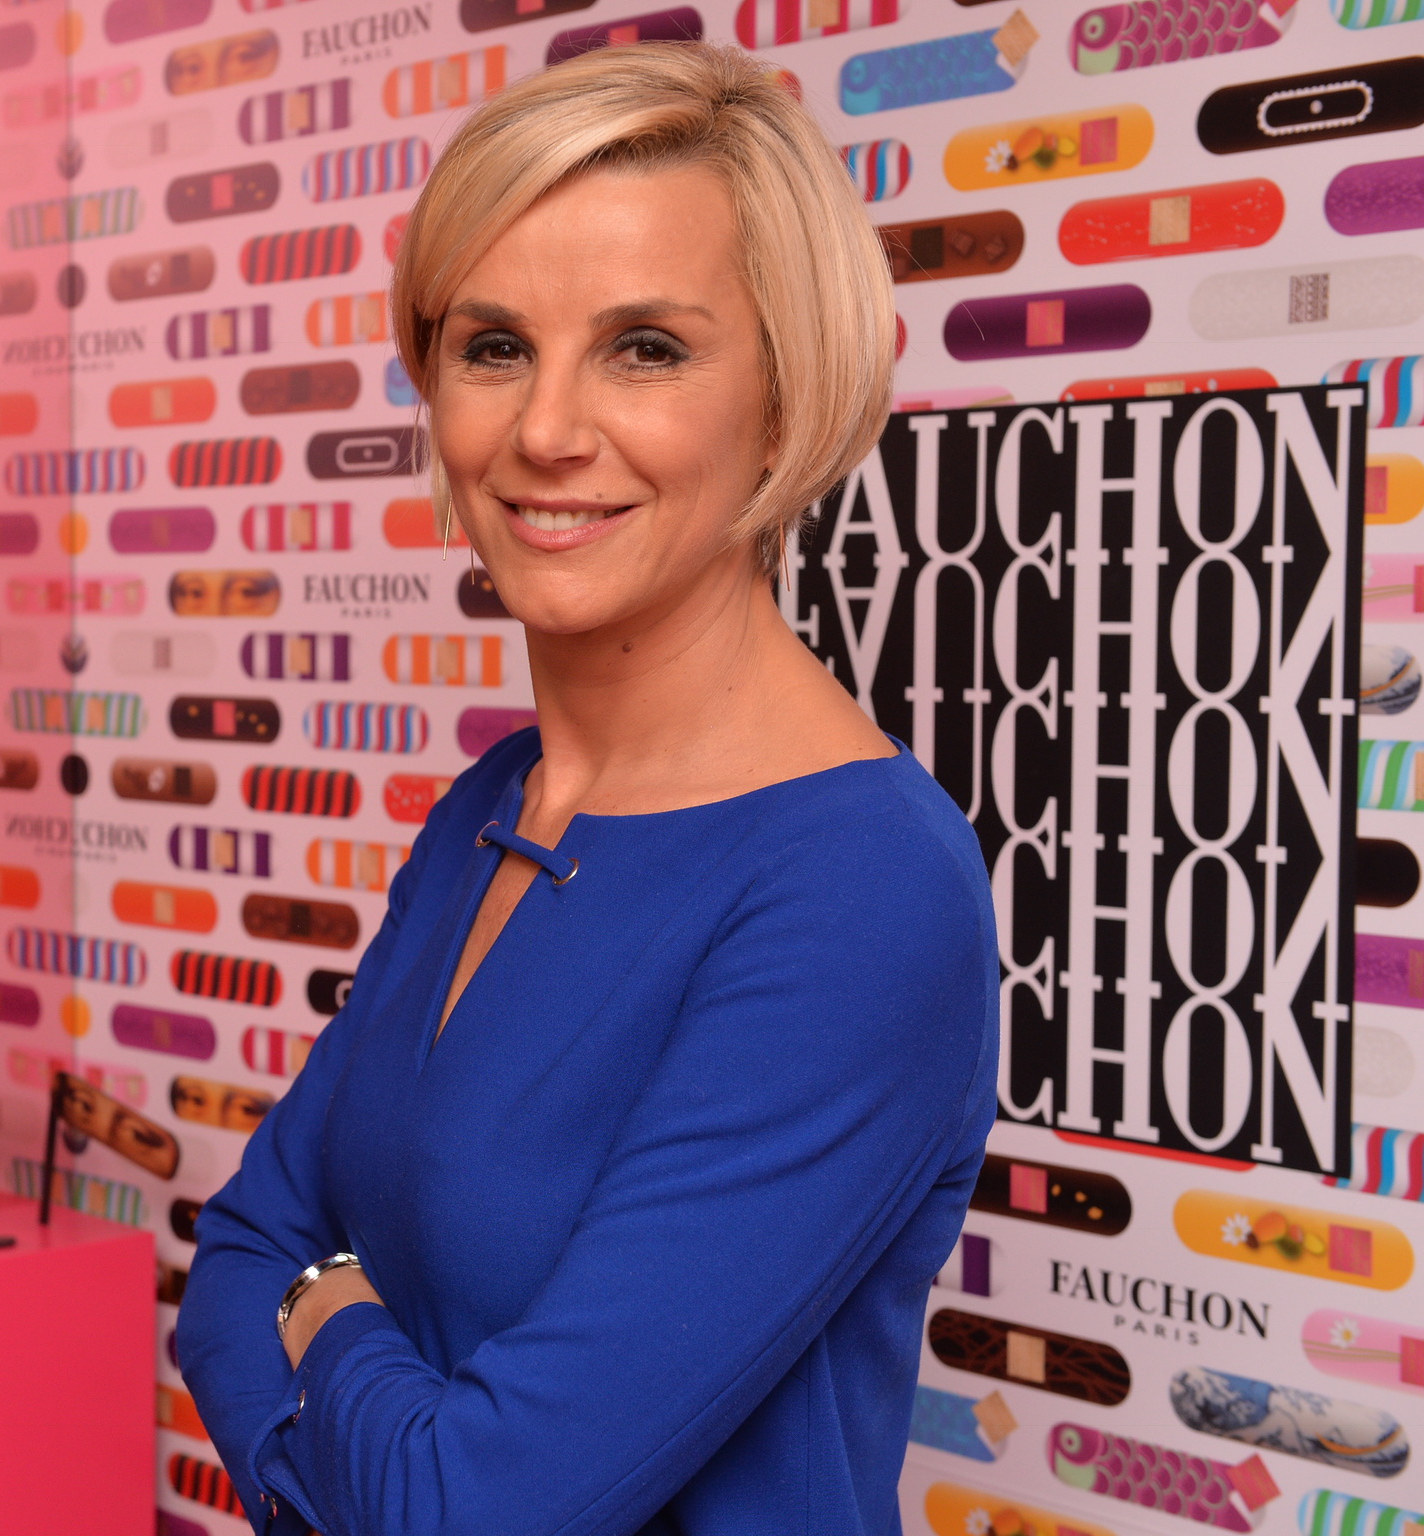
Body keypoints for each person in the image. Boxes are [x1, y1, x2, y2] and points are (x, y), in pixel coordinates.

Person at [178, 42, 1000, 1536]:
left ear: (786, 397)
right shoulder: (492, 805)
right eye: (495, 346)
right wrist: (350, 1369)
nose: (547, 431)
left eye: (647, 349)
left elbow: (474, 1512)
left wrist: (325, 1311)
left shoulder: (861, 888)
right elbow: (238, 1253)